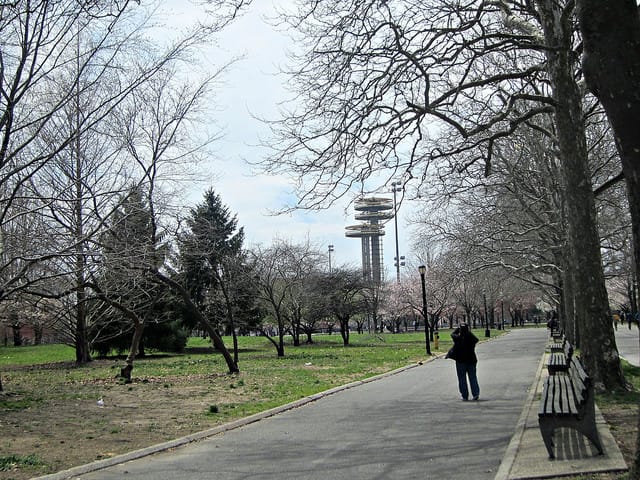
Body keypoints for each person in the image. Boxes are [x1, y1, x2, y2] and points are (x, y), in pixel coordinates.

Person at [448, 323, 480, 401]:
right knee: (473, 377)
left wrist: (458, 329)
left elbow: (452, 334)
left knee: (462, 378)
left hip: (460, 360)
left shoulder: (458, 338)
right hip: (471, 360)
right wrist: (468, 331)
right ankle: (475, 394)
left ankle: (464, 395)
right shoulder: (471, 338)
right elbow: (476, 339)